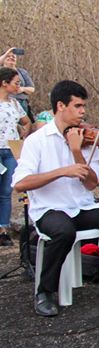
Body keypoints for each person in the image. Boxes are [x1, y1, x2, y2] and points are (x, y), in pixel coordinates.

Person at [12, 80, 99, 317]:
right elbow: (20, 183)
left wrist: (75, 152)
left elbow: (92, 183)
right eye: (78, 106)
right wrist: (62, 171)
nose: (83, 112)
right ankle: (45, 292)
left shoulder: (83, 140)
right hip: (49, 209)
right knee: (63, 231)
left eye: (84, 107)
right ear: (61, 106)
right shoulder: (37, 141)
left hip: (80, 207)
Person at [0, 67, 31, 245]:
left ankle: (3, 229)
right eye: (16, 83)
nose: (18, 87)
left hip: (11, 150)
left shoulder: (14, 104)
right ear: (4, 83)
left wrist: (22, 134)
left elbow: (26, 121)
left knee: (6, 192)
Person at [2, 48, 35, 123]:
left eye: (13, 57)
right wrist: (7, 52)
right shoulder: (1, 72)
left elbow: (32, 89)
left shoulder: (22, 72)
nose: (11, 58)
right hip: (4, 102)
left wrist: (22, 89)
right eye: (8, 56)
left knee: (25, 124)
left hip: (21, 103)